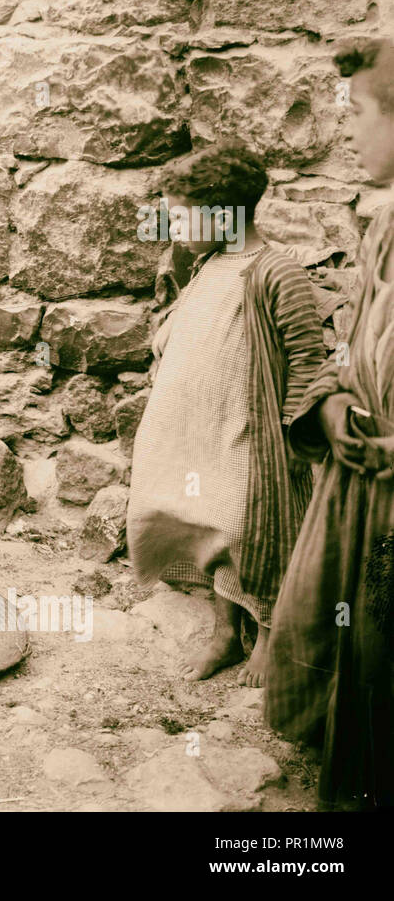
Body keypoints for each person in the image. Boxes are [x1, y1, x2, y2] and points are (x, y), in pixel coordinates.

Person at [127, 143, 327, 687]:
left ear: (223, 214)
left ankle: (267, 635)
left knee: (251, 529)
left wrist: (293, 436)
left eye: (181, 217)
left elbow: (308, 357)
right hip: (200, 433)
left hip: (252, 434)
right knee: (207, 524)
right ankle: (224, 635)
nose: (173, 229)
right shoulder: (211, 263)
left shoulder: (276, 272)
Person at [267, 38, 394, 811]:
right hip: (368, 490)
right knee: (366, 656)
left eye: (359, 115)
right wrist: (338, 399)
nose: (343, 133)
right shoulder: (381, 231)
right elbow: (356, 342)